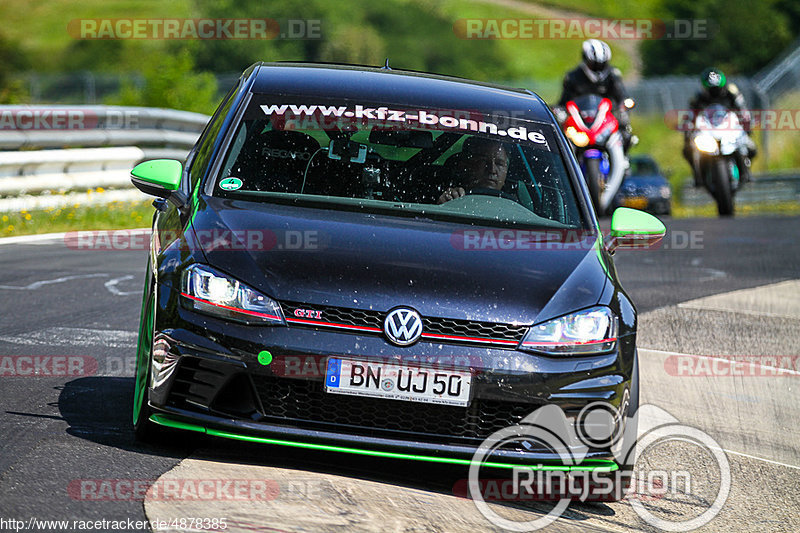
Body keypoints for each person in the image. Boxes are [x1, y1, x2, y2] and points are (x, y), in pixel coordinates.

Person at [556, 39, 634, 152]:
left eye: (602, 64)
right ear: (585, 59)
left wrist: (623, 105)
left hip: (607, 120)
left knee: (625, 133)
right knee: (562, 139)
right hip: (581, 121)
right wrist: (559, 111)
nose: (598, 68)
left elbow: (621, 95)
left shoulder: (613, 75)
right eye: (595, 64)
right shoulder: (572, 77)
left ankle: (624, 162)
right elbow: (564, 101)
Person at [683, 67, 757, 185]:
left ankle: (746, 172)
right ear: (704, 88)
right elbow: (690, 116)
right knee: (688, 150)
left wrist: (747, 124)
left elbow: (743, 111)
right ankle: (697, 176)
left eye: (717, 90)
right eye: (711, 90)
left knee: (751, 148)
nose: (714, 93)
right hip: (708, 130)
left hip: (729, 129)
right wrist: (687, 131)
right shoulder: (698, 98)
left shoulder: (732, 94)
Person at [437, 137, 510, 204]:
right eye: (483, 161)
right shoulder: (454, 198)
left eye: (499, 164)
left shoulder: (518, 207)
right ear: (466, 165)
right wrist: (444, 206)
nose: (492, 170)